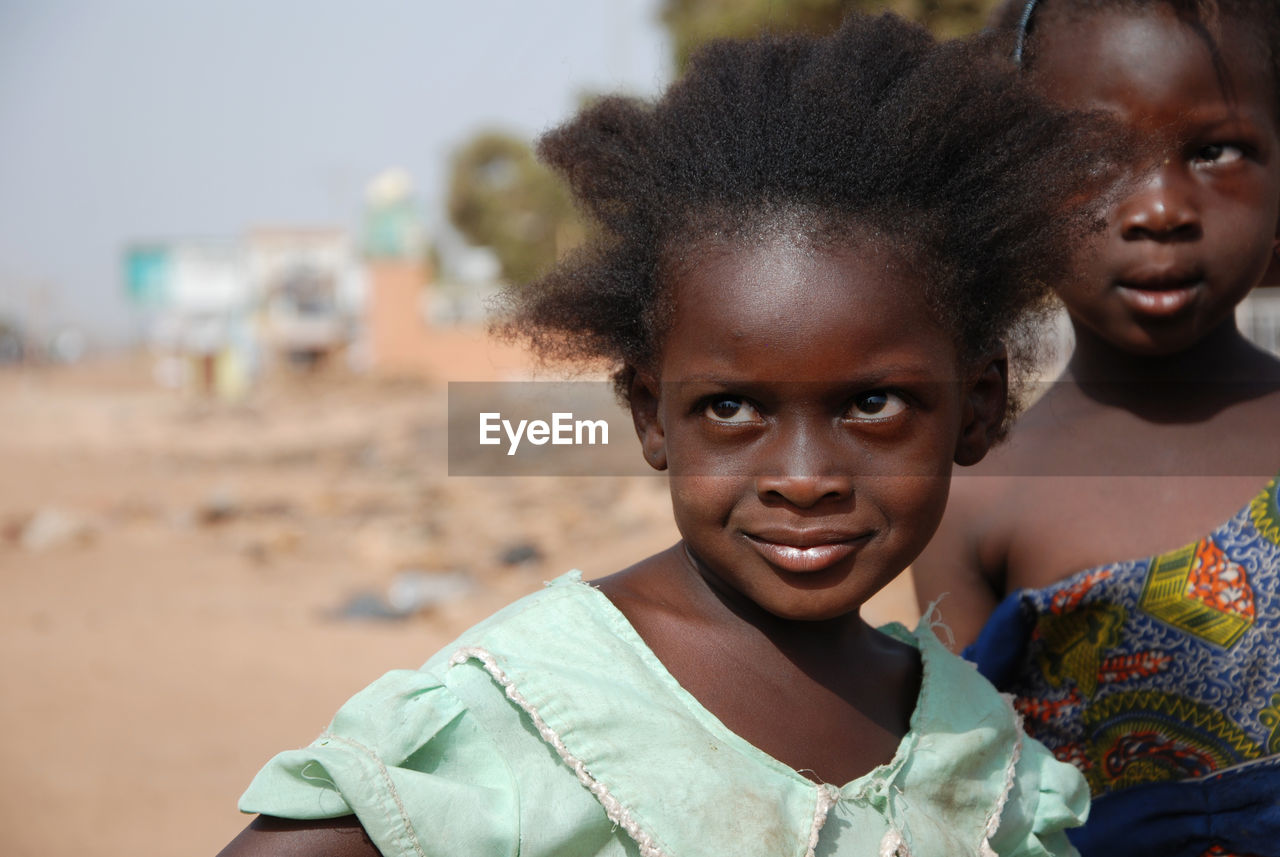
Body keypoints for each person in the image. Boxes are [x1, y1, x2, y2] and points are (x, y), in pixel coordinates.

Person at [218, 13, 1122, 857]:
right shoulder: (532, 715)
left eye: (872, 404)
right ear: (651, 414)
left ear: (975, 404)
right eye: (732, 408)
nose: (804, 479)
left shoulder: (983, 755)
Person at [912, 1, 1280, 855]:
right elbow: (966, 797)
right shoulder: (975, 493)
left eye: (1214, 151)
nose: (1158, 207)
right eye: (1091, 157)